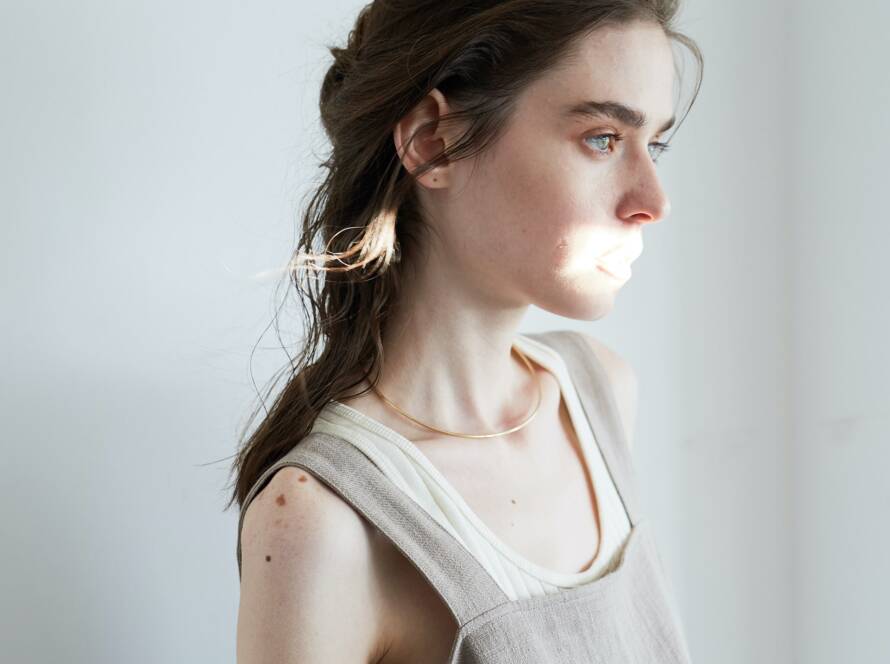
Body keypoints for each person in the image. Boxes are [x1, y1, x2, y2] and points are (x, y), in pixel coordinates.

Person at [230, 1, 704, 662]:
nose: (654, 200)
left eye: (654, 145)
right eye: (602, 138)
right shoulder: (323, 519)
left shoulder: (599, 395)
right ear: (433, 142)